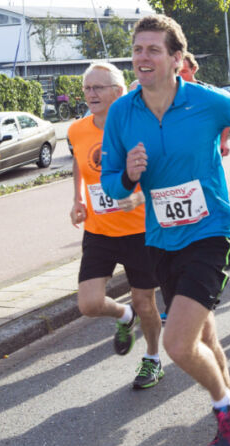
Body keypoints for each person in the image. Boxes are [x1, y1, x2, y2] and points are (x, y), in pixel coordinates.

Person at [101, 15, 230, 446]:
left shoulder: (206, 101)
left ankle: (225, 409)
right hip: (162, 237)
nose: (142, 57)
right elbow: (110, 185)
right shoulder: (123, 112)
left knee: (179, 344)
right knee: (205, 337)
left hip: (211, 231)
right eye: (138, 49)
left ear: (176, 59)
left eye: (152, 50)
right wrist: (128, 174)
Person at [69, 62, 164, 390]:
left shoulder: (138, 128)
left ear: (118, 92)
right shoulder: (77, 130)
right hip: (99, 231)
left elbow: (155, 181)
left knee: (145, 302)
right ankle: (124, 317)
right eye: (87, 88)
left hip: (139, 231)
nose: (91, 94)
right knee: (89, 304)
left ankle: (152, 358)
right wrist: (78, 199)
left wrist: (125, 202)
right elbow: (80, 162)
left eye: (98, 88)